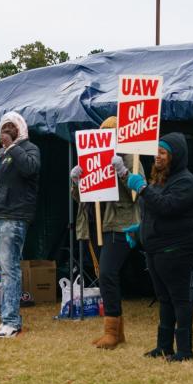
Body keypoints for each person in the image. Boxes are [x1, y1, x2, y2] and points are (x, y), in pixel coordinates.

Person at [124, 132, 193, 362]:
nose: (157, 156)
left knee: (179, 299)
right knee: (164, 298)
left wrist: (143, 189)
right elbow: (154, 212)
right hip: (156, 248)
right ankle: (164, 346)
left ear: (175, 156)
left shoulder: (186, 182)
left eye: (163, 152)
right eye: (156, 151)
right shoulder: (161, 179)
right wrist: (139, 230)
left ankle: (185, 350)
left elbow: (166, 206)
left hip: (175, 249)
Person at [69, 116, 143, 349]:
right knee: (106, 275)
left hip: (121, 224)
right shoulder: (94, 157)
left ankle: (112, 331)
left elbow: (137, 192)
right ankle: (116, 332)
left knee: (108, 274)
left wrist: (121, 171)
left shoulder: (131, 156)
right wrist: (76, 181)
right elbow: (81, 197)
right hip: (99, 225)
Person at [0, 111, 40, 339]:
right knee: (3, 271)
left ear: (20, 129)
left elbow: (30, 168)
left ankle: (12, 321)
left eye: (11, 127)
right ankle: (6, 318)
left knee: (10, 269)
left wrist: (12, 146)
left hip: (14, 217)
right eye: (3, 127)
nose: (6, 131)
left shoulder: (30, 149)